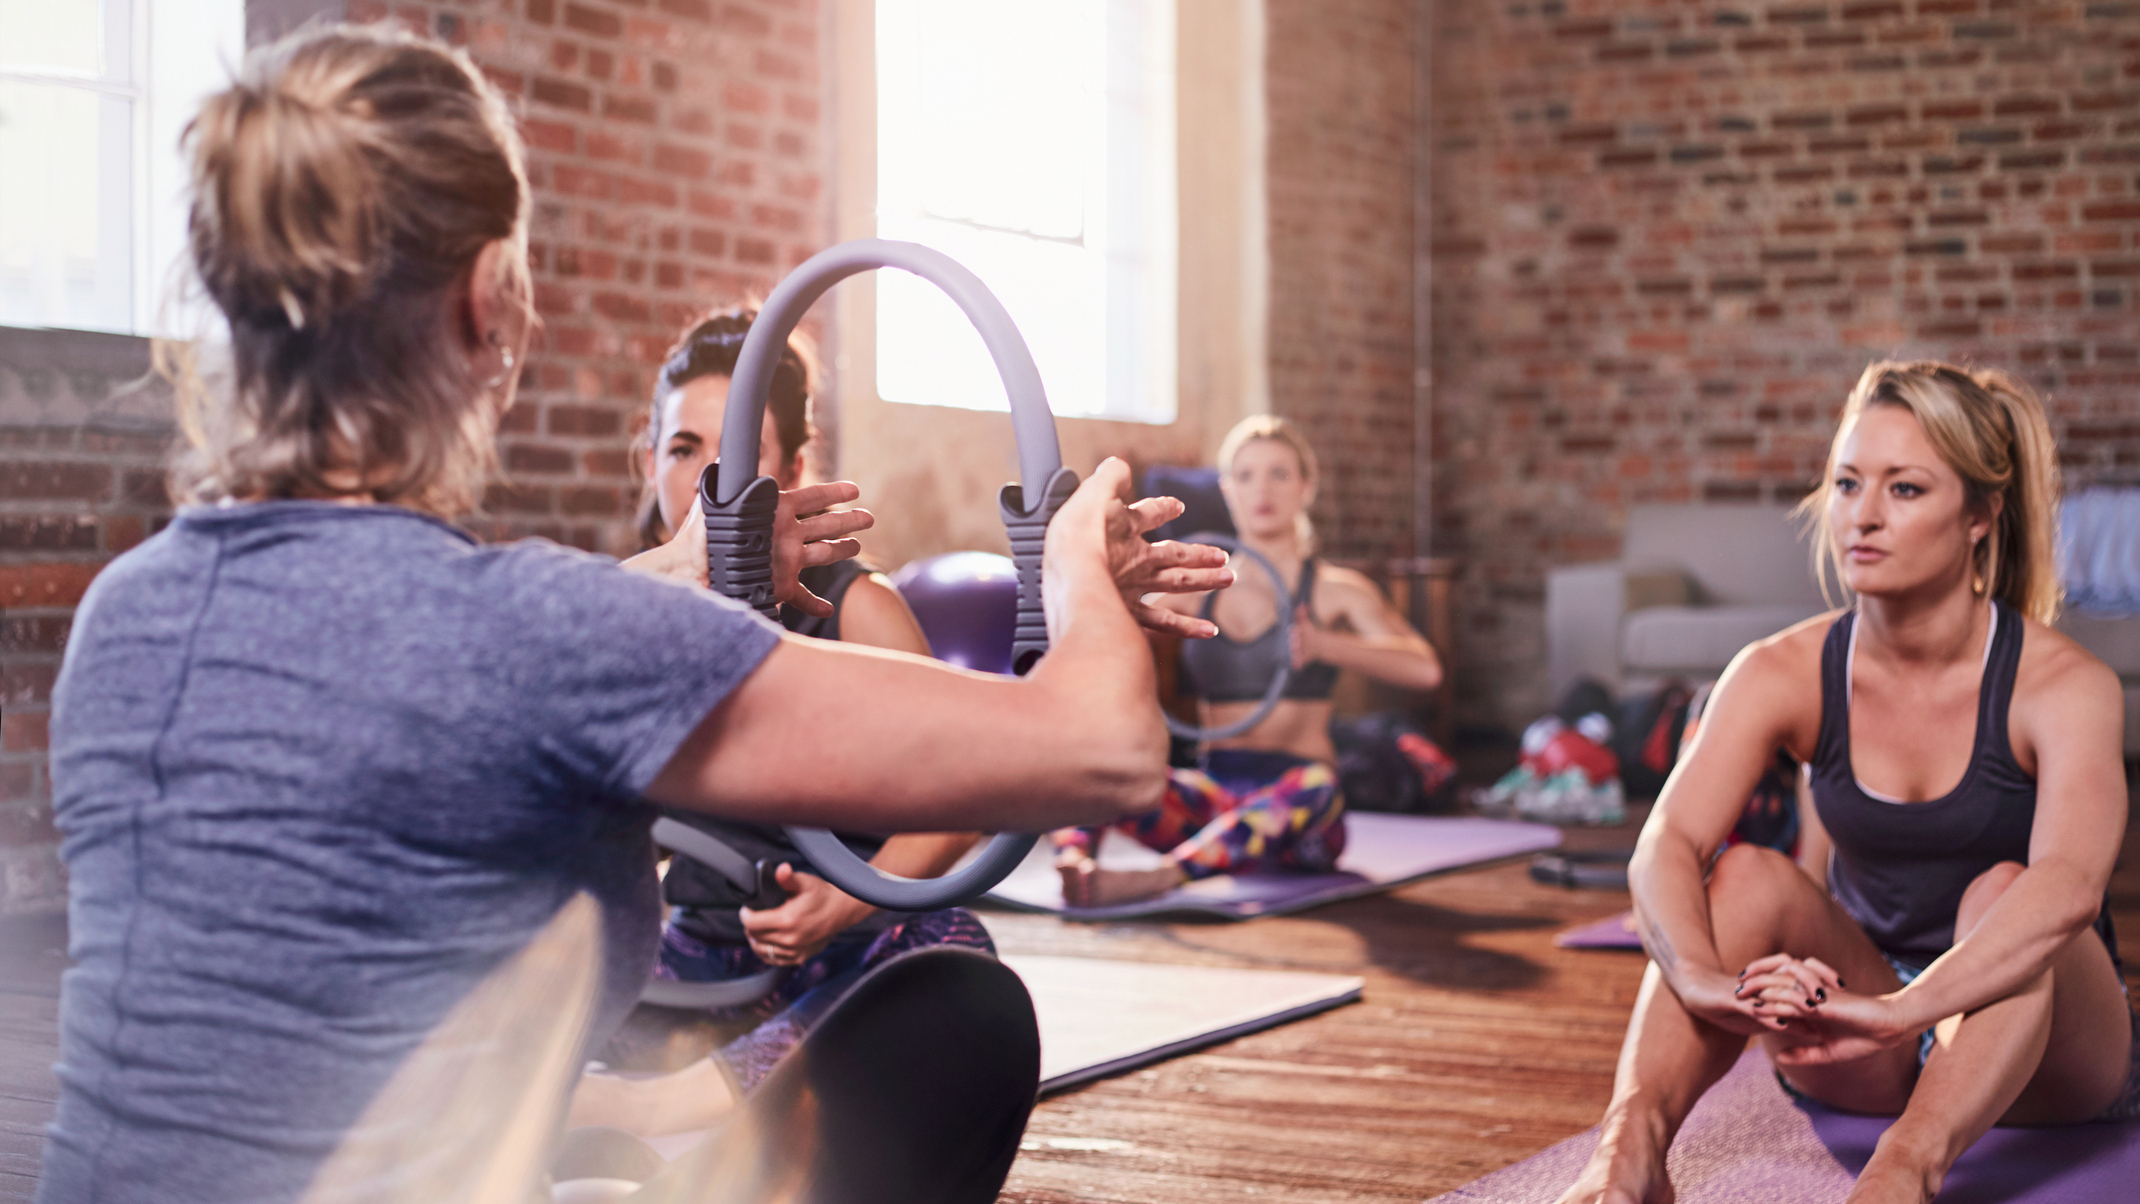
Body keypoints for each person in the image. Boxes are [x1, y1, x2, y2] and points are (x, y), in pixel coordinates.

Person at [37, 24, 1228, 1204]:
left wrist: (685, 575)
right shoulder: (544, 635)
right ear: (489, 301)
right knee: (964, 1019)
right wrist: (1070, 570)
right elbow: (1107, 751)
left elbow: (430, 653)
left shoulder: (123, 619)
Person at [1554, 361, 2139, 1204]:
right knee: (1745, 873)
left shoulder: (2062, 684)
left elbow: (2070, 890)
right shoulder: (1779, 670)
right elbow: (1665, 845)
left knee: (2006, 890)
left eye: (1904, 490)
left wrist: (1913, 1009)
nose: (1862, 516)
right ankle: (1628, 1156)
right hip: (1865, 1026)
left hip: (2046, 1051)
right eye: (1846, 484)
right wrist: (1704, 985)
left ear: (1980, 516)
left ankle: (1902, 1173)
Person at [568, 311, 991, 1134]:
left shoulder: (859, 608)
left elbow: (966, 801)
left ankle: (654, 1104)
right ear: (648, 461)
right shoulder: (622, 610)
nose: (704, 481)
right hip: (691, 954)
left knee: (948, 954)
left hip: (837, 956)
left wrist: (843, 904)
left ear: (792, 470)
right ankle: (713, 1088)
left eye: (735, 452)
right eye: (684, 449)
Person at [1053, 415, 1444, 906]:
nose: (1263, 489)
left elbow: (1424, 668)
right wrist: (1107, 572)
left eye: (1280, 474)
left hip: (1301, 816)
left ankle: (1162, 877)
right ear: (1227, 490)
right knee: (1096, 771)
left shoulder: (1335, 589)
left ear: (1307, 487)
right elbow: (1089, 644)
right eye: (1246, 475)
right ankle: (1073, 862)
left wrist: (1326, 645)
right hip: (1213, 806)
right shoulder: (1192, 587)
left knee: (1319, 787)